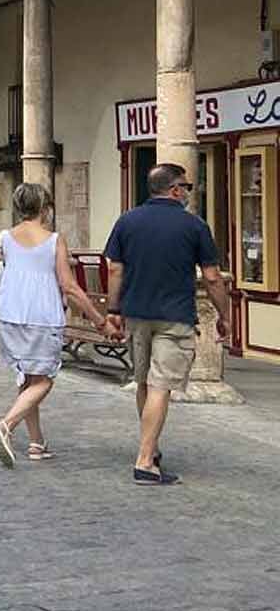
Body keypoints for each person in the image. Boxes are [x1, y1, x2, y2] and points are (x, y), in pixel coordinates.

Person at [103, 162, 232, 486]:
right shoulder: (194, 226)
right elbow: (213, 278)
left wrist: (113, 309)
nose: (189, 192)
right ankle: (145, 461)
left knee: (144, 382)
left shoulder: (127, 221)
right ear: (175, 190)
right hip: (174, 316)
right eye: (187, 187)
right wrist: (225, 315)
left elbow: (115, 269)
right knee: (161, 386)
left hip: (136, 313)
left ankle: (152, 447)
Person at [0, 183, 118, 467]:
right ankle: (6, 425)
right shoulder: (54, 240)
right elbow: (69, 287)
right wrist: (99, 320)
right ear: (45, 208)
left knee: (29, 378)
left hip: (8, 315)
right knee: (44, 380)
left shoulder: (4, 237)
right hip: (42, 316)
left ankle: (36, 442)